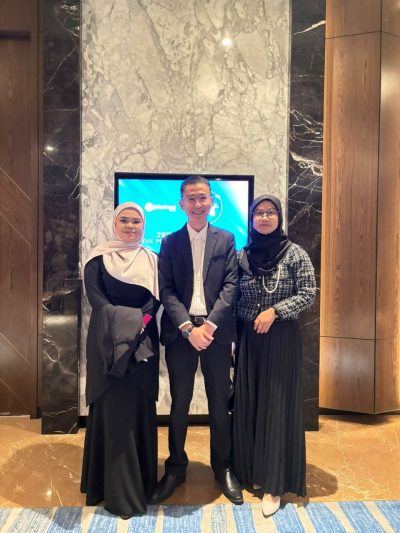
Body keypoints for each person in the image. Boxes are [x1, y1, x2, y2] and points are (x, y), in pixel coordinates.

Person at [150, 175, 243, 505]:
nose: (197, 203)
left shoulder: (226, 239)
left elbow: (231, 286)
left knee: (219, 404)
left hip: (216, 335)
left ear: (211, 201)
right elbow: (166, 289)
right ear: (181, 204)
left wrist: (210, 326)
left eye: (203, 197)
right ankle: (175, 468)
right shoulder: (169, 242)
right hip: (181, 335)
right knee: (179, 404)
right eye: (191, 198)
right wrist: (189, 328)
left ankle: (223, 467)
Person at [232, 194, 316, 517]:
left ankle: (274, 483)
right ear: (252, 219)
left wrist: (275, 311)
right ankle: (253, 471)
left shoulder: (295, 254)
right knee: (251, 405)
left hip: (280, 339)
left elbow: (308, 293)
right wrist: (234, 334)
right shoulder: (242, 256)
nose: (264, 217)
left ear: (279, 217)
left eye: (270, 212)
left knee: (276, 407)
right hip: (249, 340)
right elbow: (233, 297)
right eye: (259, 213)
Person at [81, 202, 160, 518]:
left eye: (136, 221)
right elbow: (98, 302)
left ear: (143, 226)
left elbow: (154, 303)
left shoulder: (153, 261)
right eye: (124, 220)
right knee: (112, 413)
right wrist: (133, 324)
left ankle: (141, 485)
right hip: (106, 346)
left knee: (137, 410)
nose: (130, 226)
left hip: (142, 349)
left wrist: (140, 326)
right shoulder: (97, 260)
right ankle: (109, 489)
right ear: (114, 224)